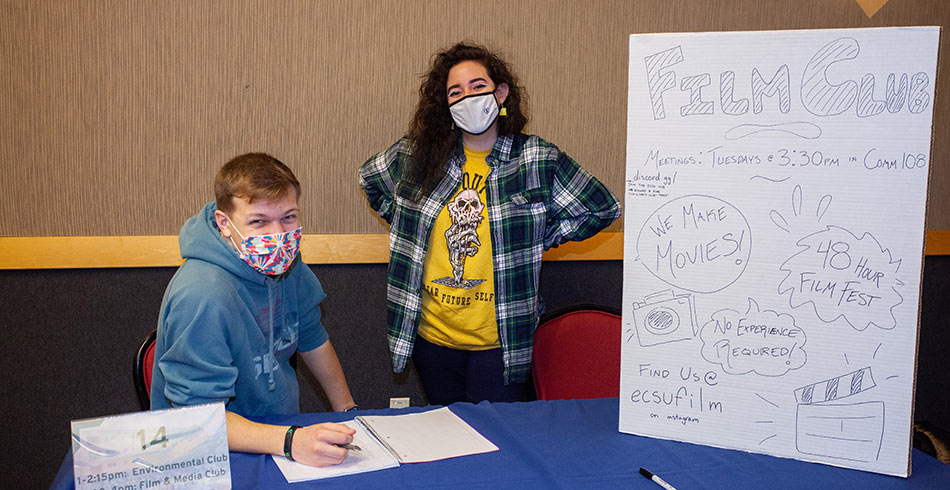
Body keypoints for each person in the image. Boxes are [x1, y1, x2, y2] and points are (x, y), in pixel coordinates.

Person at [359, 42, 621, 405]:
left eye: (477, 86)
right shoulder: (417, 154)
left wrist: (539, 237)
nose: (467, 97)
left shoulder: (536, 158)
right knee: (447, 433)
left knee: (500, 440)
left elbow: (602, 208)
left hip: (501, 342)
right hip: (431, 338)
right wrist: (409, 224)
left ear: (500, 93)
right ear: (445, 105)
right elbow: (371, 179)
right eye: (455, 91)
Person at [151, 153, 357, 467]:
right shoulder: (202, 294)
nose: (277, 235)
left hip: (282, 433)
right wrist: (290, 442)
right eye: (259, 221)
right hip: (215, 450)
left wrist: (350, 414)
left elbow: (313, 338)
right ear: (225, 223)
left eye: (289, 217)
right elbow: (198, 419)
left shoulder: (288, 265)